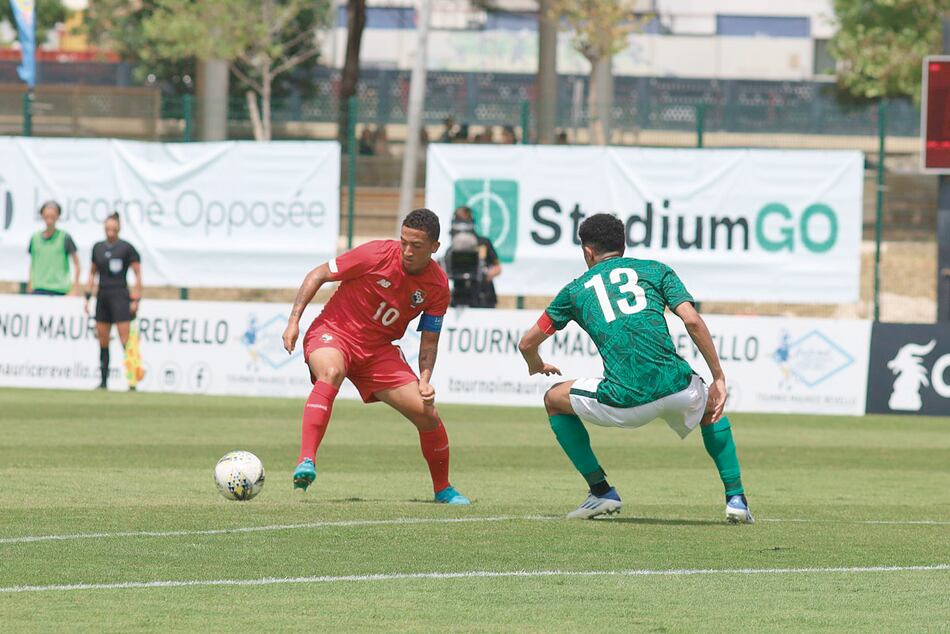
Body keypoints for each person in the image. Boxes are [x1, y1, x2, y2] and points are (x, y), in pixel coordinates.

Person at [517, 213, 752, 523]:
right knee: (711, 408)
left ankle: (600, 491)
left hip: (624, 400)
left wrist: (536, 365)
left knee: (553, 399)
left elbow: (527, 343)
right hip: (678, 389)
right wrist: (718, 377)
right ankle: (736, 499)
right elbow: (692, 320)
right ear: (623, 245)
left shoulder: (574, 291)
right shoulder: (656, 270)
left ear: (588, 252)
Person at [281, 208, 470, 505]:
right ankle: (307, 460)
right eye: (403, 242)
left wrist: (424, 379)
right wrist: (294, 320)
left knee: (427, 413)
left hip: (377, 351)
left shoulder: (437, 286)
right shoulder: (375, 254)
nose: (407, 251)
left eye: (416, 246)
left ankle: (443, 489)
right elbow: (318, 274)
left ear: (434, 247)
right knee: (330, 372)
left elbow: (429, 340)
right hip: (334, 333)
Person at [84, 212, 143, 391]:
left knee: (125, 339)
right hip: (102, 295)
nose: (110, 232)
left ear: (118, 229)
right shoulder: (98, 248)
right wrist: (87, 297)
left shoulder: (126, 248)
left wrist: (136, 297)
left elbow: (137, 273)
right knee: (103, 339)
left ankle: (132, 381)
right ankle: (103, 381)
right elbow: (92, 273)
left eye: (113, 229)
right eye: (107, 228)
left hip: (120, 295)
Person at [443, 205, 502, 308]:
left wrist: (485, 274)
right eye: (460, 220)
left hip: (483, 295)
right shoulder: (452, 249)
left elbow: (498, 268)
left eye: (465, 220)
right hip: (459, 296)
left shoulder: (483, 243)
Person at [27, 200, 80, 296]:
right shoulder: (34, 238)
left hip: (60, 290)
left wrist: (74, 288)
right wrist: (30, 283)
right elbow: (32, 263)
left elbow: (77, 264)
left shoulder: (65, 237)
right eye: (47, 216)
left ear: (58, 217)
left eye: (53, 216)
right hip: (38, 289)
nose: (49, 219)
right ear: (42, 216)